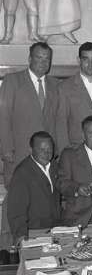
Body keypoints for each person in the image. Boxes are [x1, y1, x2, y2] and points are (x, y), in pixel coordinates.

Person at [0, 42, 58, 186]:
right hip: (19, 154)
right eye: (39, 57)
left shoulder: (56, 85)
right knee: (19, 195)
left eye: (47, 59)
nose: (43, 62)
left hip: (47, 157)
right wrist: (6, 149)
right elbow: (3, 117)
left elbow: (58, 120)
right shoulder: (12, 81)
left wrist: (57, 151)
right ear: (30, 59)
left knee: (44, 195)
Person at [7, 132, 60, 240]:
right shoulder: (22, 173)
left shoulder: (54, 165)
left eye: (50, 149)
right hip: (33, 233)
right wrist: (21, 237)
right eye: (42, 149)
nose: (46, 153)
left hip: (55, 229)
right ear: (31, 150)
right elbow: (16, 210)